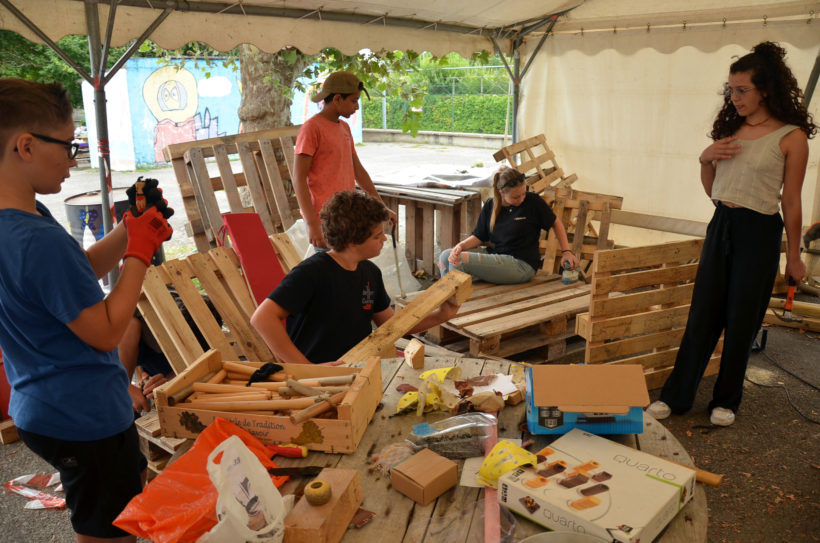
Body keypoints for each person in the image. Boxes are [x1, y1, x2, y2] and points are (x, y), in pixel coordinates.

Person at [0, 78, 173, 542]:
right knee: (108, 531)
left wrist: (128, 230)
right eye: (69, 144)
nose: (73, 157)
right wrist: (138, 253)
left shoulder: (22, 218)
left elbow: (73, 276)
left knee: (128, 497)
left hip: (43, 405)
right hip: (83, 416)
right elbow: (105, 332)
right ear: (26, 146)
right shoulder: (35, 239)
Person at [647, 42, 815, 427]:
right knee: (703, 312)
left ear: (765, 90)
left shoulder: (790, 138)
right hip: (722, 223)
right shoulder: (730, 129)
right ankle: (677, 396)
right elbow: (714, 185)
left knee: (742, 318)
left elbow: (791, 201)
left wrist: (793, 256)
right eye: (730, 90)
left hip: (760, 230)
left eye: (742, 90)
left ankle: (726, 400)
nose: (734, 97)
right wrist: (705, 157)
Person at [250, 190, 458, 364]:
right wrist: (307, 369)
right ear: (353, 242)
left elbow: (392, 327)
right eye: (377, 236)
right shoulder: (311, 272)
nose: (384, 239)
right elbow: (262, 318)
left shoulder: (370, 272)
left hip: (357, 367)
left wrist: (441, 315)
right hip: (317, 378)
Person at [293, 71, 396, 249]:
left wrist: (381, 206)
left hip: (346, 215)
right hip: (324, 218)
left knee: (349, 268)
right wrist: (312, 224)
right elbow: (298, 178)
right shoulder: (311, 128)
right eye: (354, 101)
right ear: (338, 99)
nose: (356, 107)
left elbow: (358, 171)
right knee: (329, 272)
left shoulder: (345, 127)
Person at [438, 168, 580, 284]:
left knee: (460, 260)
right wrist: (461, 246)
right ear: (501, 193)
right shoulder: (490, 205)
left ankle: (452, 303)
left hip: (522, 265)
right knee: (446, 256)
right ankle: (449, 299)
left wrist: (566, 251)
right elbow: (480, 236)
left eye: (523, 193)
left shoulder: (533, 202)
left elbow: (556, 223)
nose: (522, 199)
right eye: (516, 197)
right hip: (497, 257)